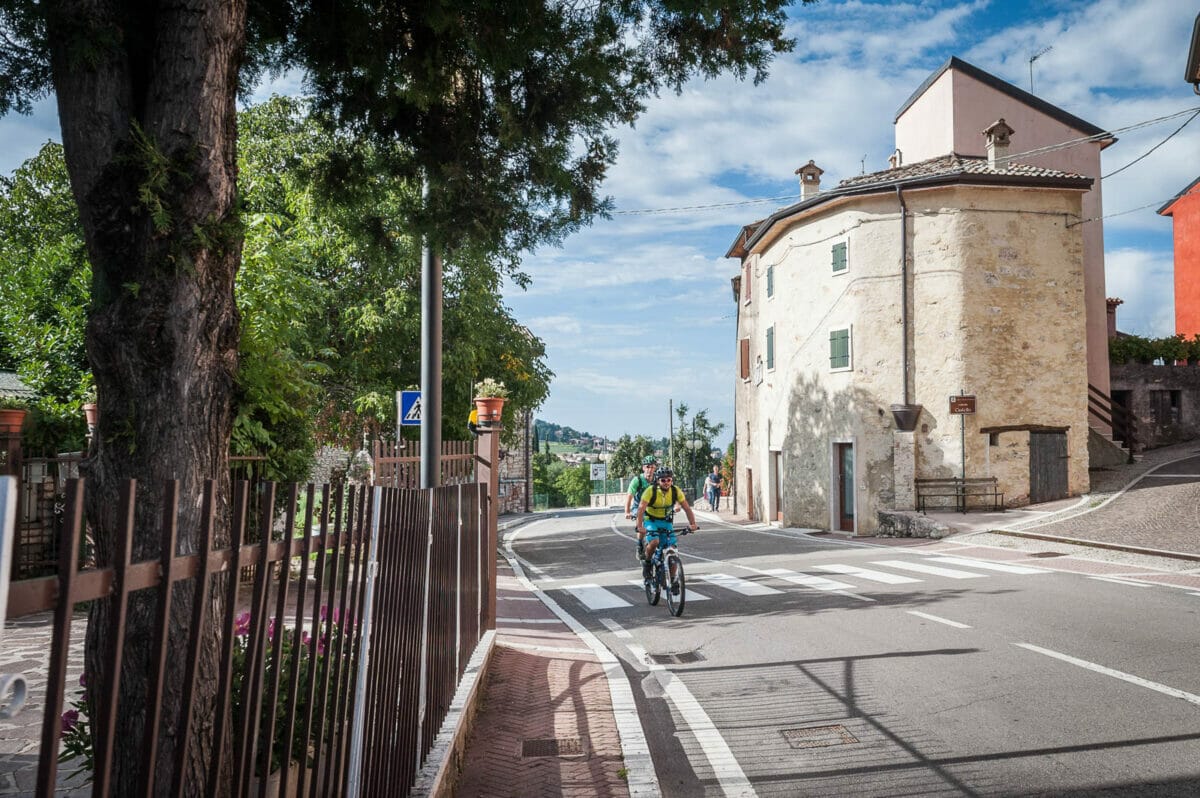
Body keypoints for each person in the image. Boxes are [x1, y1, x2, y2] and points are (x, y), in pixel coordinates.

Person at [635, 466, 698, 587]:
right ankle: (647, 564)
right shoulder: (650, 491)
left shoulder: (675, 491)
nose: (666, 482)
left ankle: (673, 579)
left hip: (666, 521)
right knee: (654, 541)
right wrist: (639, 526)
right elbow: (641, 508)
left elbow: (687, 508)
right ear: (658, 481)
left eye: (669, 480)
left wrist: (692, 524)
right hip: (651, 520)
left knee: (672, 549)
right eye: (663, 480)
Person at [626, 456, 658, 562]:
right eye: (647, 466)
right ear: (643, 468)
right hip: (638, 507)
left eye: (652, 467)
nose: (650, 469)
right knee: (642, 523)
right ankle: (640, 545)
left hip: (653, 507)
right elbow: (629, 496)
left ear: (655, 468)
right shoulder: (638, 480)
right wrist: (627, 512)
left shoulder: (658, 479)